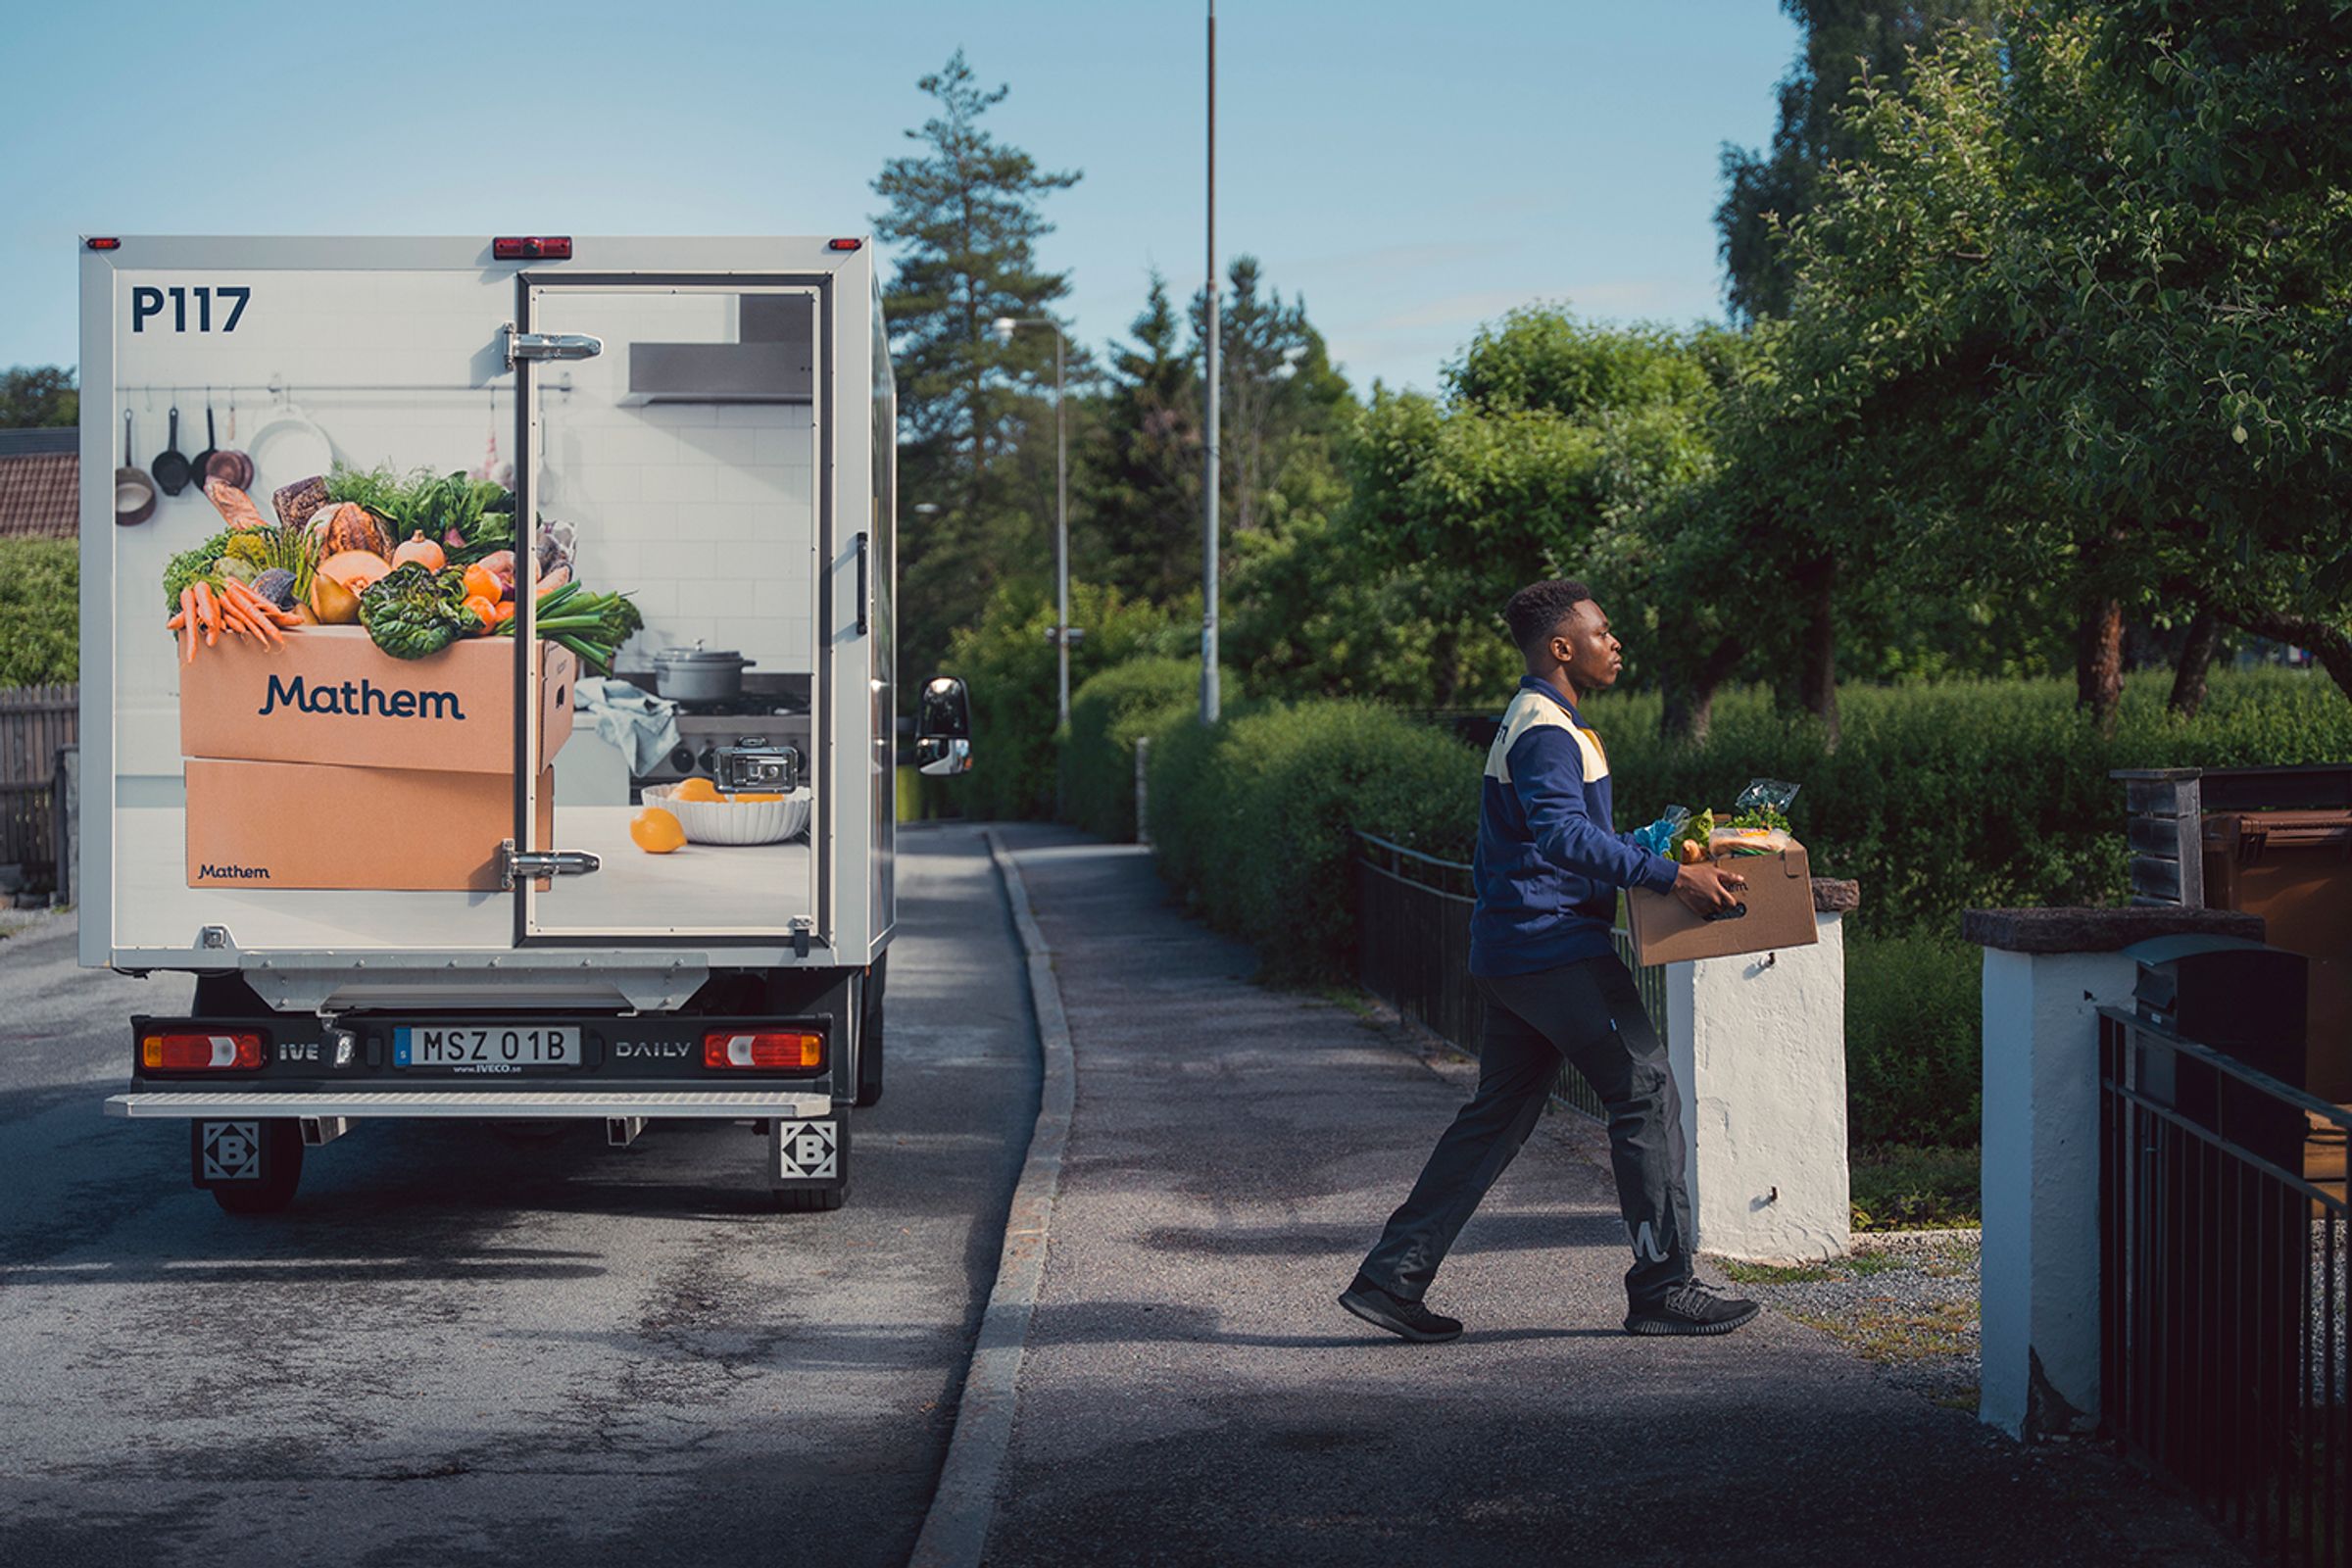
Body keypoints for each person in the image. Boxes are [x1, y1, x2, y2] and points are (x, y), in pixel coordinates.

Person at [1341, 579, 1762, 1342]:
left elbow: (1567, 837)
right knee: (1643, 1089)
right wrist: (1672, 877)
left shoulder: (1544, 722)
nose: (1616, 643)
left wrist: (1656, 846)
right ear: (1561, 647)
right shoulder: (1544, 730)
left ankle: (1391, 1277)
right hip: (1550, 949)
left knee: (1496, 1118)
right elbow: (1564, 838)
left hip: (1517, 950)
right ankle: (1664, 1285)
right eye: (1602, 632)